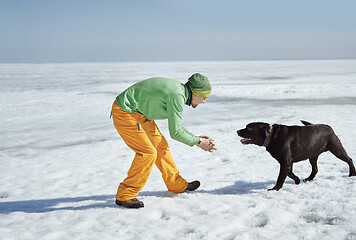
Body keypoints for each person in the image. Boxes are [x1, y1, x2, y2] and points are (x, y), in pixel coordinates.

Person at [111, 73, 217, 208]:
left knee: (161, 146)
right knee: (148, 152)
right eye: (203, 97)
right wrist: (199, 142)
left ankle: (176, 185)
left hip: (141, 114)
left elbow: (178, 128)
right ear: (195, 93)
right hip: (126, 112)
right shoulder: (177, 96)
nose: (204, 101)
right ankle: (125, 195)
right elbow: (176, 132)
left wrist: (197, 138)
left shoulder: (179, 92)